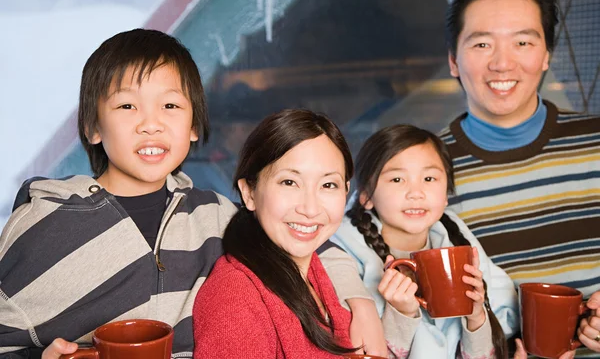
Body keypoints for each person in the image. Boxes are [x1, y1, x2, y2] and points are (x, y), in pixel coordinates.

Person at [0, 30, 380, 358]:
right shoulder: (44, 223)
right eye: (127, 105)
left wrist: (358, 300)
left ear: (194, 125)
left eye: (170, 105)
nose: (151, 124)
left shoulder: (214, 215)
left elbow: (303, 234)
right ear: (92, 127)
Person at [440, 0, 600, 356]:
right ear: (453, 61)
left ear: (547, 54)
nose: (502, 63)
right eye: (482, 44)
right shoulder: (421, 174)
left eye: (523, 42)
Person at [332, 125, 518, 358]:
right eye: (397, 179)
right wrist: (401, 313)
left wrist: (476, 315)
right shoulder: (341, 258)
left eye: (429, 178)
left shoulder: (456, 236)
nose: (416, 193)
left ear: (447, 193)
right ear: (366, 195)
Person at [193, 109, 359, 358]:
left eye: (328, 185)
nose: (310, 209)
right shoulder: (235, 300)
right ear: (249, 193)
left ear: (346, 190)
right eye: (289, 182)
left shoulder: (309, 267)